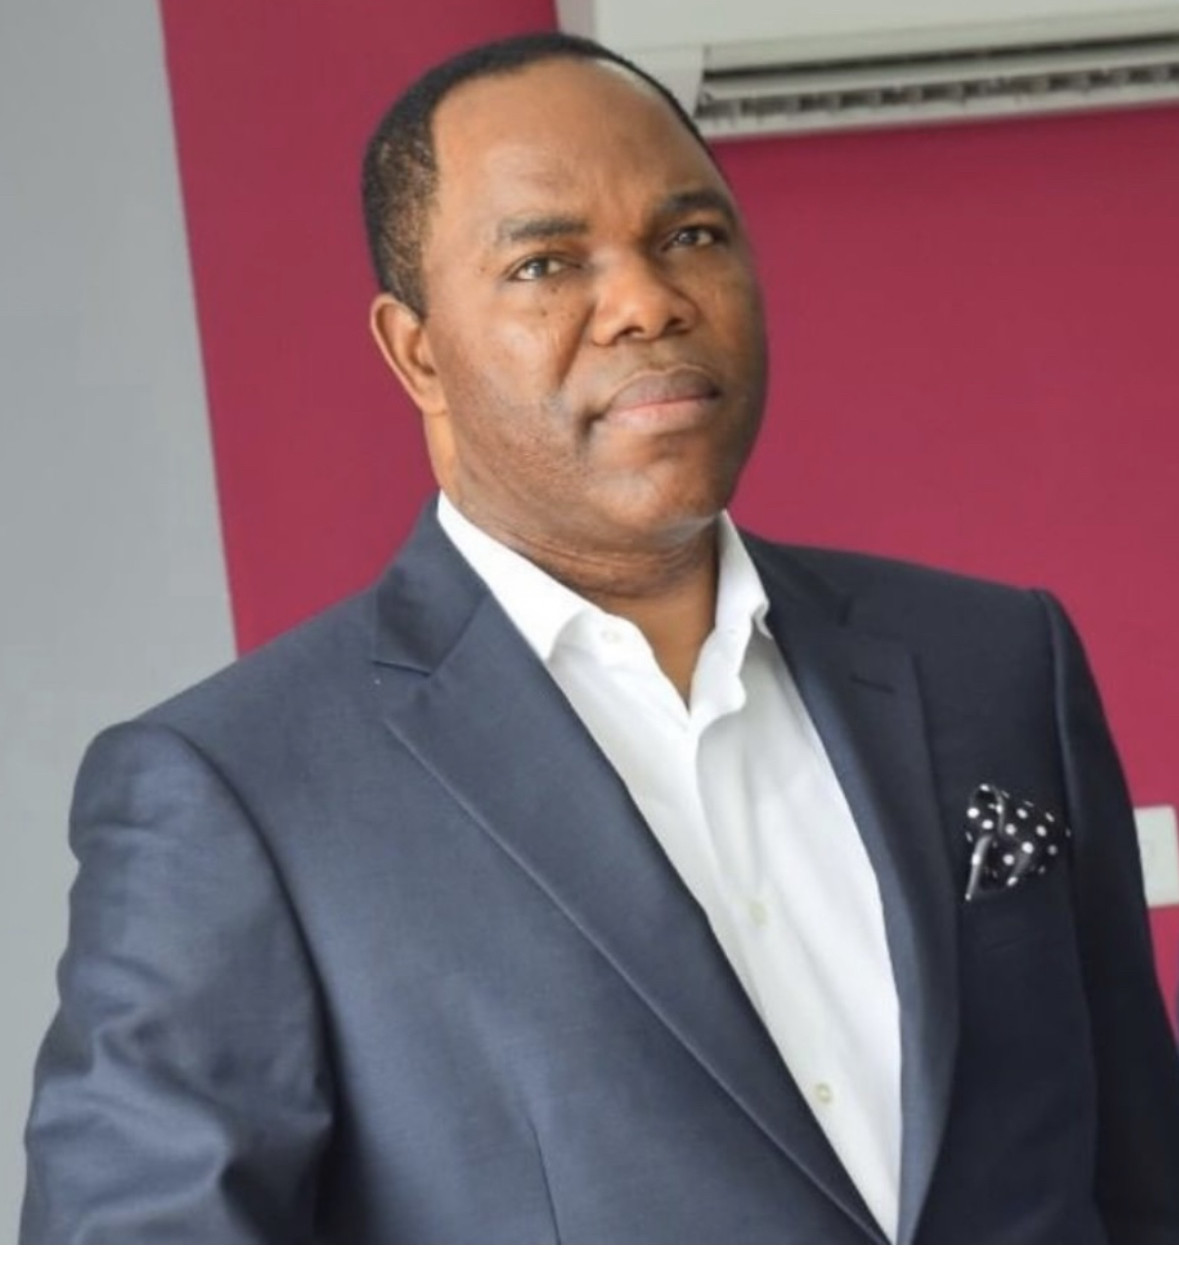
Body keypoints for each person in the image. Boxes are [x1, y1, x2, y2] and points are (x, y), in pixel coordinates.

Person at [21, 31, 1179, 1244]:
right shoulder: (241, 796)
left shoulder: (997, 662)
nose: (647, 302)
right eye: (545, 263)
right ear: (418, 352)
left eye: (691, 236)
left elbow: (1142, 1186)